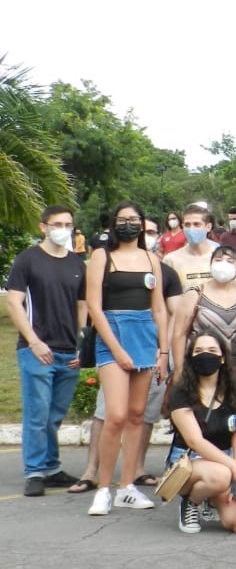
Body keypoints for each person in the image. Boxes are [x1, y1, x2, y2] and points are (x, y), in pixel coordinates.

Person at [84, 201, 170, 516]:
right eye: (123, 219)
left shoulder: (151, 258)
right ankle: (104, 489)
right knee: (116, 415)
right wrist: (117, 350)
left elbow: (159, 307)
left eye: (135, 219)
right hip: (113, 334)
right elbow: (94, 307)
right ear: (113, 224)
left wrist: (163, 352)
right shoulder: (101, 257)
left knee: (137, 416)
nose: (129, 224)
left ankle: (127, 487)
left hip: (145, 336)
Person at [6, 205, 85, 496]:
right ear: (43, 227)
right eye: (57, 224)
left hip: (68, 351)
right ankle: (36, 471)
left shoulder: (77, 264)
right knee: (38, 414)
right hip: (36, 349)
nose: (62, 229)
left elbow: (82, 305)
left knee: (54, 415)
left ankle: (51, 467)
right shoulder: (27, 260)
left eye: (67, 224)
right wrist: (34, 341)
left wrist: (81, 345)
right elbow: (14, 303)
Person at [166, 333, 236, 534]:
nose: (205, 355)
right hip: (187, 462)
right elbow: (194, 440)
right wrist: (234, 468)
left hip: (224, 461)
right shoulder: (181, 391)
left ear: (223, 358)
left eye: (212, 351)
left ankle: (211, 498)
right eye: (199, 351)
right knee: (221, 474)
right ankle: (191, 502)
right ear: (191, 357)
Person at [169, 245, 236, 381]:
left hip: (235, 371)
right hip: (199, 368)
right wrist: (178, 369)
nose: (223, 264)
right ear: (211, 265)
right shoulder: (195, 294)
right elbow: (179, 334)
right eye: (218, 260)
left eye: (230, 261)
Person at [164, 203, 220, 291]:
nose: (191, 229)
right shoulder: (171, 260)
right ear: (182, 227)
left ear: (208, 227)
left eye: (197, 224)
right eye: (187, 225)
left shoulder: (220, 257)